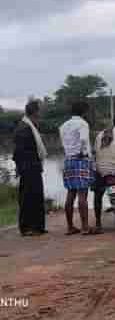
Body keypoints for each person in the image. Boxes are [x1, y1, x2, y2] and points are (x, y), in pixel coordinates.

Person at [12, 101, 48, 237]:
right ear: (35, 112)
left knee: (36, 196)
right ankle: (28, 227)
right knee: (28, 197)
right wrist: (20, 167)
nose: (41, 112)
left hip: (33, 166)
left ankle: (37, 226)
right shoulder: (24, 128)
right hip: (28, 167)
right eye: (40, 110)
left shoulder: (30, 126)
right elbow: (19, 152)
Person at [59, 101, 93, 235]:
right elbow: (84, 140)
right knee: (82, 194)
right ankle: (85, 227)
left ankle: (70, 227)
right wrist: (83, 154)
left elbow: (64, 143)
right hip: (80, 160)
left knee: (70, 193)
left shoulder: (63, 126)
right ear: (83, 111)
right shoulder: (83, 123)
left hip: (68, 160)